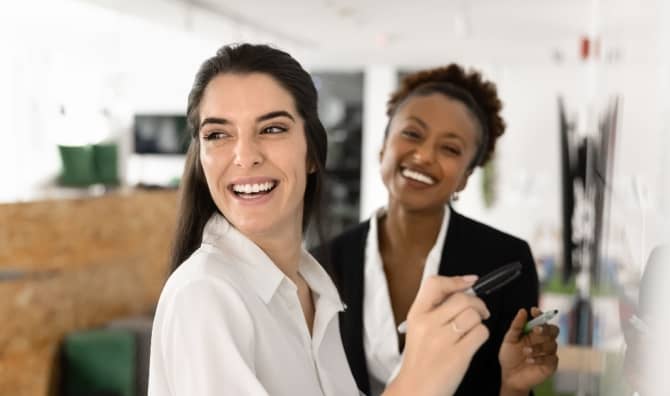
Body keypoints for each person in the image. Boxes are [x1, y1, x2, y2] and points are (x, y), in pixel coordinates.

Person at [148, 43, 494, 396]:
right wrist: (417, 382)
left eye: (271, 129)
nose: (245, 156)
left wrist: (419, 352)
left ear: (312, 153)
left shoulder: (315, 289)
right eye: (218, 135)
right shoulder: (206, 295)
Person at [318, 65, 559, 396]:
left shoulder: (506, 260)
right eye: (412, 134)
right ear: (382, 147)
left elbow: (511, 384)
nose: (424, 155)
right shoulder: (324, 262)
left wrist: (513, 387)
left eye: (450, 149)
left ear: (464, 177)